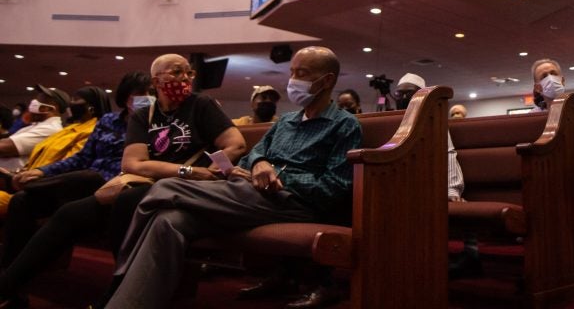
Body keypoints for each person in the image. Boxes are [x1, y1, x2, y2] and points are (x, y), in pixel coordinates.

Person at [102, 46, 361, 309]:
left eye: (301, 73)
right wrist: (259, 163)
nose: (292, 80)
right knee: (168, 220)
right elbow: (253, 155)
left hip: (292, 201)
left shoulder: (345, 125)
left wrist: (278, 177)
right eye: (292, 72)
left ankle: (120, 270)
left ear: (327, 80)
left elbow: (336, 186)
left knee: (167, 187)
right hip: (252, 193)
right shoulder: (286, 121)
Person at [0, 56, 245, 309]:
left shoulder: (200, 104)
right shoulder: (143, 115)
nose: (183, 79)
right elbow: (133, 164)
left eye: (188, 73)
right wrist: (188, 170)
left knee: (126, 202)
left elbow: (235, 143)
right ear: (156, 80)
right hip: (150, 181)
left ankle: (116, 294)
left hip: (176, 189)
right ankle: (7, 287)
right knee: (69, 213)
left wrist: (210, 171)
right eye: (175, 72)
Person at [0, 73, 149, 277]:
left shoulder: (154, 126)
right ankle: (8, 276)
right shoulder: (108, 120)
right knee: (21, 201)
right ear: (125, 97)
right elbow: (81, 158)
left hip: (113, 187)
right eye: (141, 94)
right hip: (79, 184)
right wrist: (41, 171)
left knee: (89, 178)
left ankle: (28, 184)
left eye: (152, 94)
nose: (148, 98)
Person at [393, 74, 471, 276]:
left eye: (408, 93)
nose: (402, 98)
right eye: (398, 93)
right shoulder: (392, 121)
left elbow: (448, 153)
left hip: (427, 184)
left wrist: (452, 189)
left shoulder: (432, 120)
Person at [0, 86, 112, 216]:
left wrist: (36, 176)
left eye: (76, 100)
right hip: (27, 181)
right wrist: (18, 173)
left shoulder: (92, 131)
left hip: (43, 188)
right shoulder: (68, 129)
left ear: (91, 107)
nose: (72, 104)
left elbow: (72, 165)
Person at [529, 58, 574, 249]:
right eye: (544, 76)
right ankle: (536, 230)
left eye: (553, 73)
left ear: (563, 80)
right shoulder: (533, 115)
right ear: (538, 88)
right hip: (542, 169)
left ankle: (556, 234)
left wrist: (554, 161)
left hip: (573, 167)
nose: (550, 78)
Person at [0, 86, 70, 172]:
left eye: (39, 101)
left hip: (10, 180)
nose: (33, 103)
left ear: (50, 108)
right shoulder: (36, 126)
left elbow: (3, 148)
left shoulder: (50, 129)